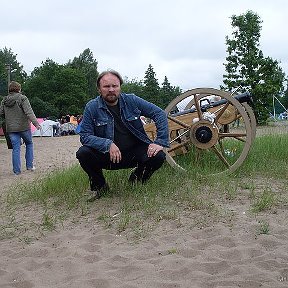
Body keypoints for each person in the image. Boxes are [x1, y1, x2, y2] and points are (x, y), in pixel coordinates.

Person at [76, 69, 169, 200]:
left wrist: (160, 142)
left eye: (115, 86)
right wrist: (107, 144)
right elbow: (85, 135)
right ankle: (101, 187)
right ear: (99, 89)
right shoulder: (92, 107)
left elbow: (159, 113)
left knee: (158, 156)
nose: (111, 90)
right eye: (106, 86)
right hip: (108, 156)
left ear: (120, 87)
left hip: (134, 153)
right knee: (83, 153)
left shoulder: (132, 100)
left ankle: (137, 179)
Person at [0, 81, 40, 175]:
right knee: (29, 144)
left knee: (16, 148)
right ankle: (29, 166)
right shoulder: (22, 98)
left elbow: (1, 112)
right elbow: (29, 112)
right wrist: (36, 124)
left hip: (11, 128)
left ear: (9, 89)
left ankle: (17, 171)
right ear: (19, 89)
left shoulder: (4, 100)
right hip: (23, 127)